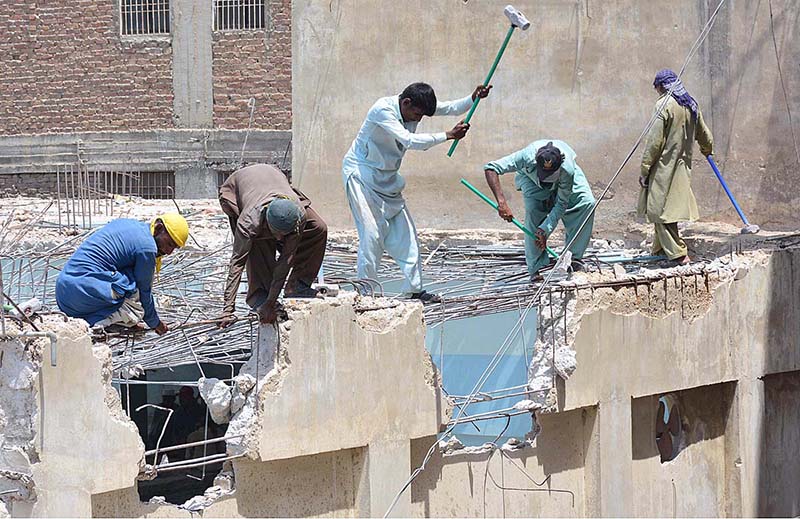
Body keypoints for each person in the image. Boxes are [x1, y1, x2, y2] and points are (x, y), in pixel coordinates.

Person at [342, 82, 492, 302]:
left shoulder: (415, 106)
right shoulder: (382, 110)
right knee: (372, 235)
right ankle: (365, 292)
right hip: (362, 177)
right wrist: (448, 135)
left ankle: (414, 290)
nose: (418, 119)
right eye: (417, 114)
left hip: (388, 179)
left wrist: (473, 98)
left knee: (408, 235)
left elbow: (448, 108)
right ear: (406, 102)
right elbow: (409, 141)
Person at [218, 164, 327, 326]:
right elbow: (237, 263)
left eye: (284, 235)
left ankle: (297, 286)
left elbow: (285, 261)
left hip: (273, 180)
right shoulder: (249, 221)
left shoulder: (298, 215)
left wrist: (272, 301)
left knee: (318, 228)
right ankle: (259, 296)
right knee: (258, 242)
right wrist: (228, 309)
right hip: (239, 187)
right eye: (277, 233)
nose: (279, 238)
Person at [55, 214, 188, 333]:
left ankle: (115, 320)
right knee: (136, 296)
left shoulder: (130, 224)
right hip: (83, 293)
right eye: (169, 244)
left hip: (64, 295)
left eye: (174, 248)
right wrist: (155, 324)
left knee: (128, 279)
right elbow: (144, 292)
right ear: (158, 228)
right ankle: (101, 323)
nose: (169, 252)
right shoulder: (147, 248)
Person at [483, 140, 595, 277]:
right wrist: (502, 202)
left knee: (586, 203)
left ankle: (573, 259)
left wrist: (545, 229)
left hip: (565, 178)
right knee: (533, 211)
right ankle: (535, 268)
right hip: (531, 179)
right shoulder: (526, 157)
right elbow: (491, 168)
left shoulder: (567, 169)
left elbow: (561, 203)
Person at [638, 69, 714, 265]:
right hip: (683, 167)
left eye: (657, 88)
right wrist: (707, 149)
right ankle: (660, 250)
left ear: (662, 86)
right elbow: (703, 132)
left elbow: (655, 141)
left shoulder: (663, 105)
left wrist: (645, 167)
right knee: (669, 208)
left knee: (658, 209)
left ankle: (678, 254)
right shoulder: (691, 105)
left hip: (664, 166)